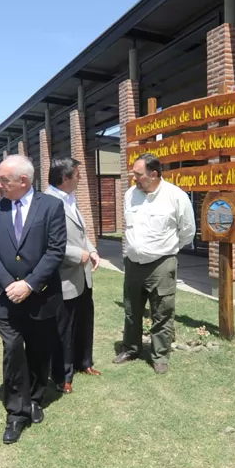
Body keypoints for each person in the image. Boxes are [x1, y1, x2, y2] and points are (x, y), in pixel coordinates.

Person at [0, 154, 66, 445]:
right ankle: (16, 411)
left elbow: (55, 250)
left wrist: (29, 284)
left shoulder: (52, 206)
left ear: (23, 181)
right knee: (13, 350)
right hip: (7, 300)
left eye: (3, 180)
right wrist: (8, 284)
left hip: (41, 297)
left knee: (40, 350)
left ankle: (36, 398)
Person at [115, 153, 196, 374]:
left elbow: (188, 231)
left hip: (161, 264)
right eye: (134, 174)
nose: (134, 179)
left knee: (162, 311)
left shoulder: (175, 196)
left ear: (153, 174)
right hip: (133, 263)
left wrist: (168, 249)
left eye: (138, 175)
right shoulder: (131, 195)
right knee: (132, 310)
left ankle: (159, 355)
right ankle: (131, 349)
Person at [44, 157, 102, 394]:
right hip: (64, 276)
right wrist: (78, 254)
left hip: (83, 275)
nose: (80, 178)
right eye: (77, 175)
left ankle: (84, 362)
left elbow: (80, 233)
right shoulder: (46, 202)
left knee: (84, 321)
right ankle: (62, 375)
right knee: (63, 328)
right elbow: (46, 242)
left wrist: (93, 250)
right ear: (65, 178)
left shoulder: (70, 199)